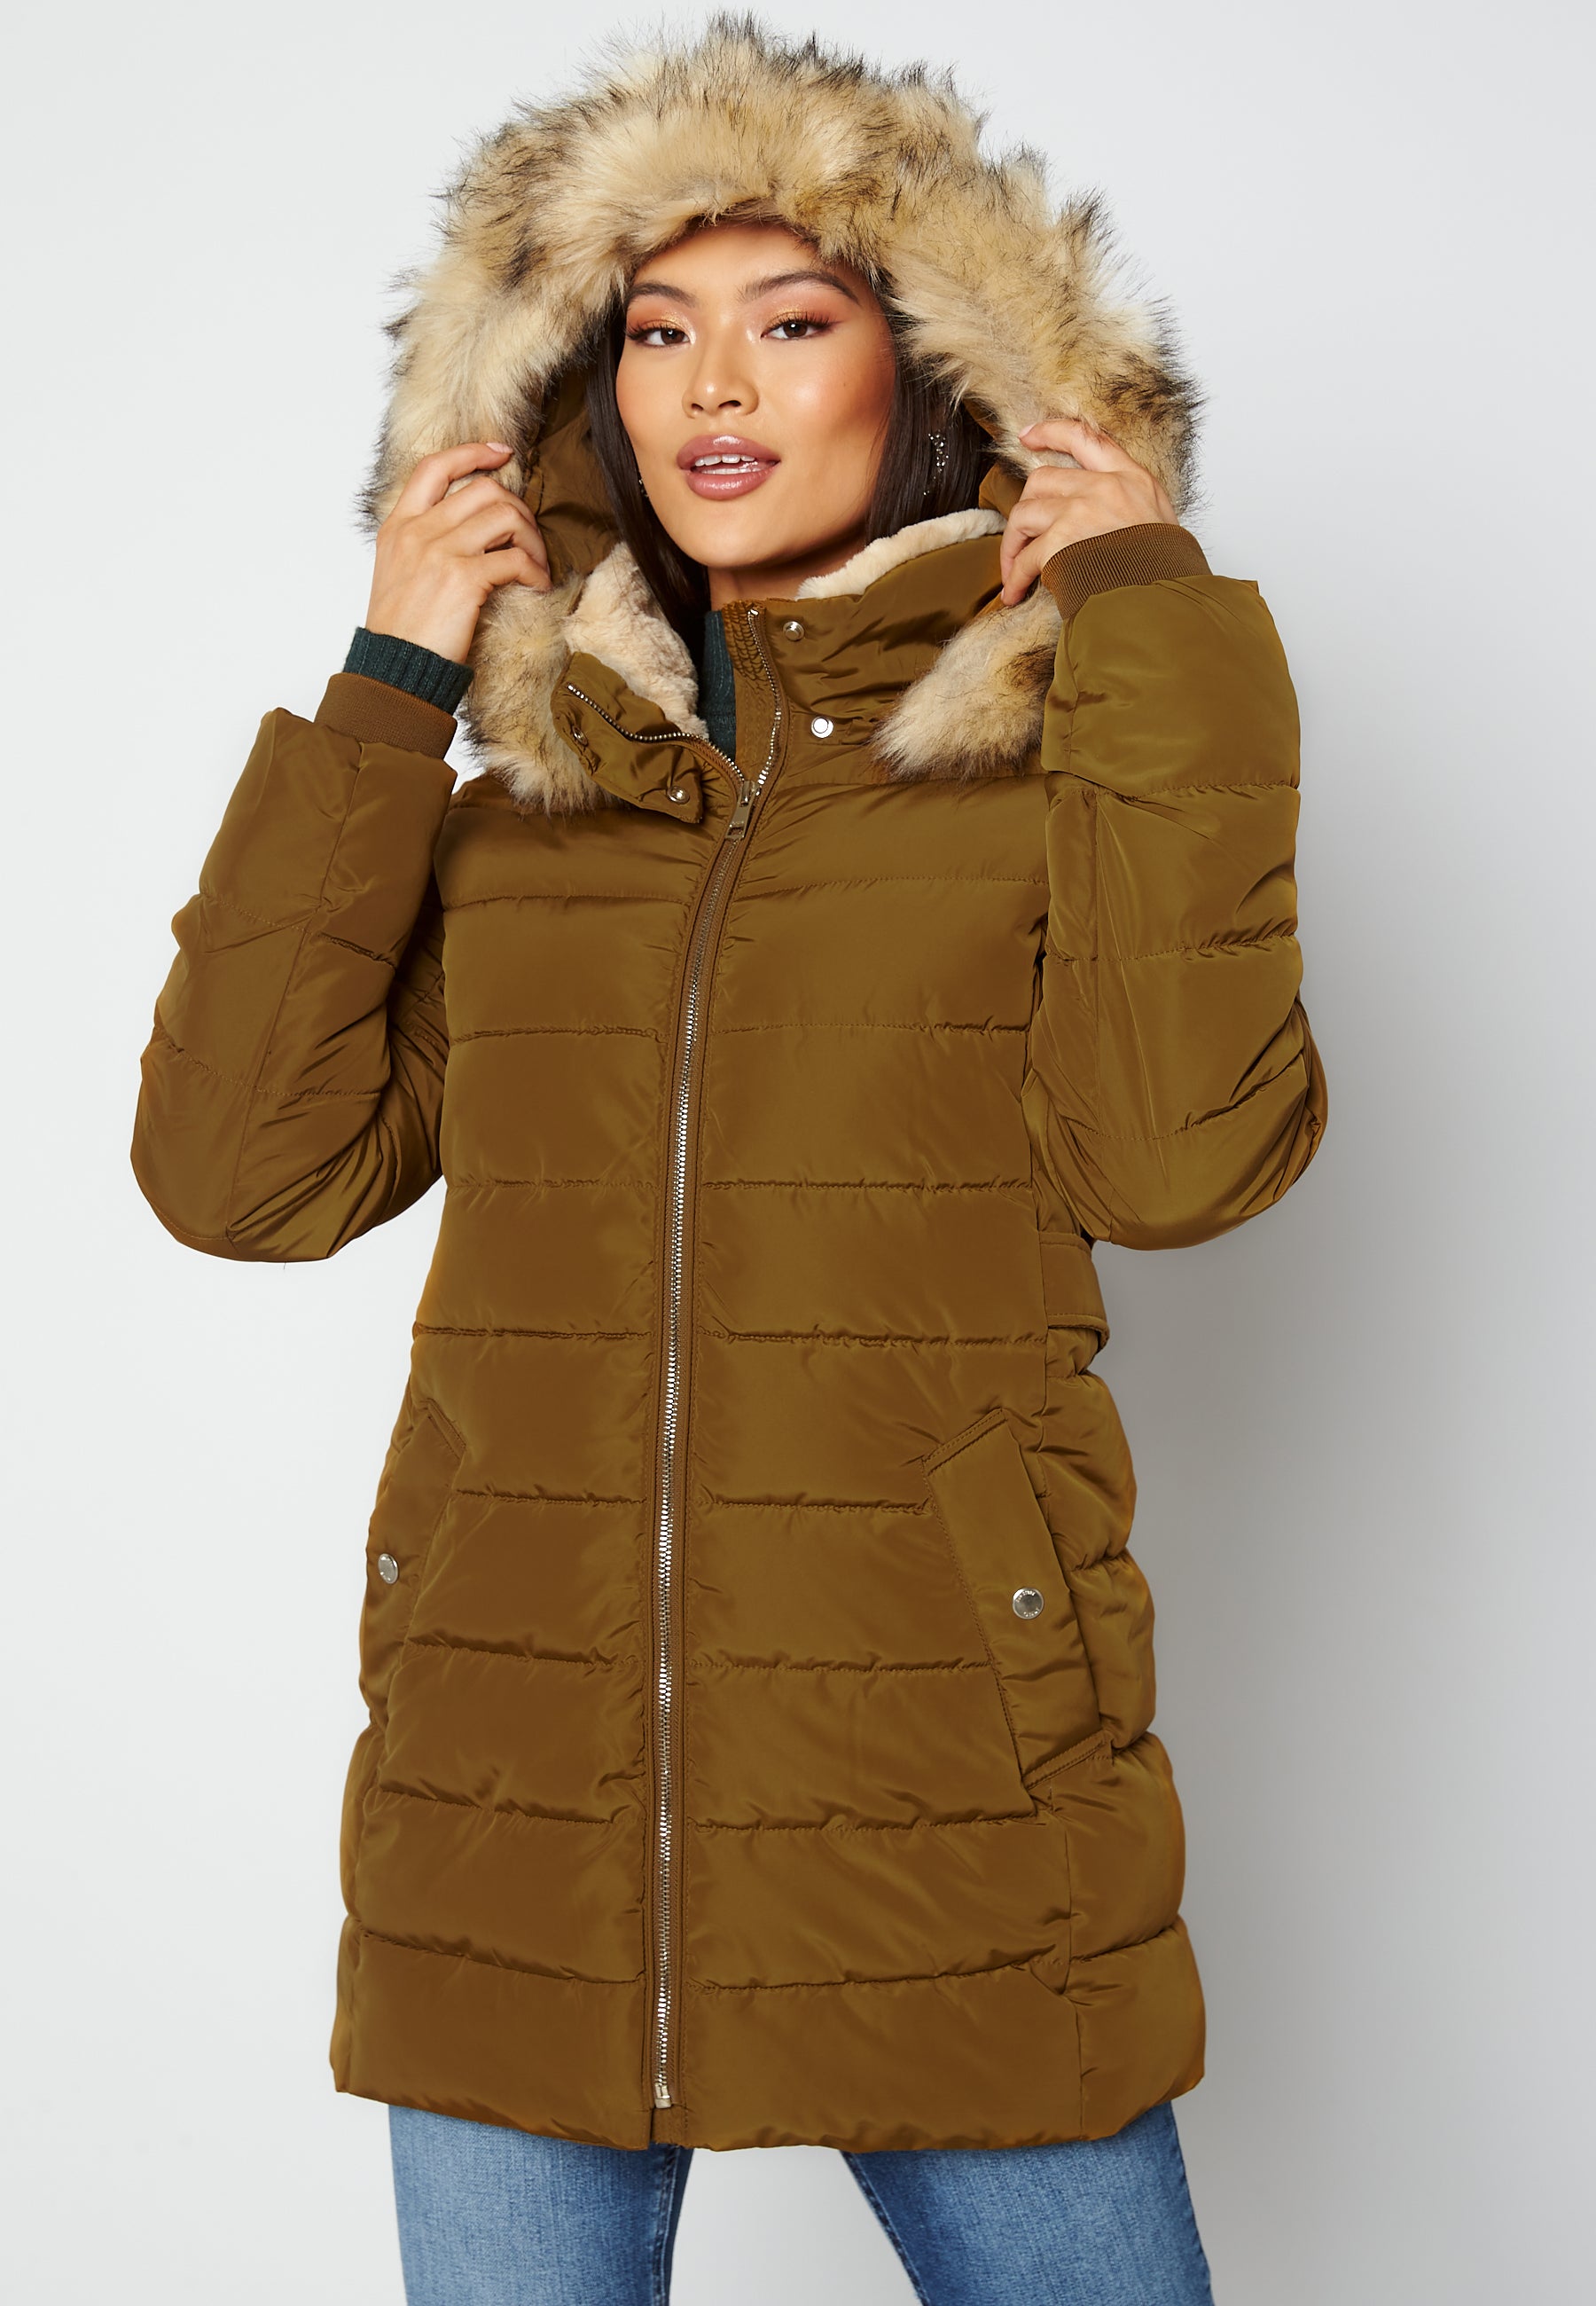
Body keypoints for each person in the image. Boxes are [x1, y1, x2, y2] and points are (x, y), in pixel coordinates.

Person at [131, 23, 1326, 2304]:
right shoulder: (521, 829)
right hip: (513, 1813)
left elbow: (1180, 1160)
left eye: (795, 321)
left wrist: (1159, 627)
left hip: (946, 1803)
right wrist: (389, 685)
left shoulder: (1049, 792)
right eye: (659, 329)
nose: (717, 386)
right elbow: (234, 1175)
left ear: (935, 373)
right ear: (580, 389)